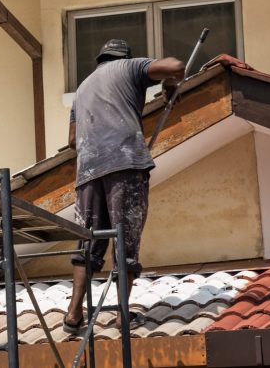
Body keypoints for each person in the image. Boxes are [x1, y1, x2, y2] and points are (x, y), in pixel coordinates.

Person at [63, 39, 184, 334]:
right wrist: (169, 88)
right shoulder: (131, 67)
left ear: (100, 58)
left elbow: (71, 140)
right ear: (124, 56)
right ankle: (121, 315)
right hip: (124, 163)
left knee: (88, 243)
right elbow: (175, 66)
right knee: (125, 242)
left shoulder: (81, 89)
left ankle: (74, 313)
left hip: (88, 171)